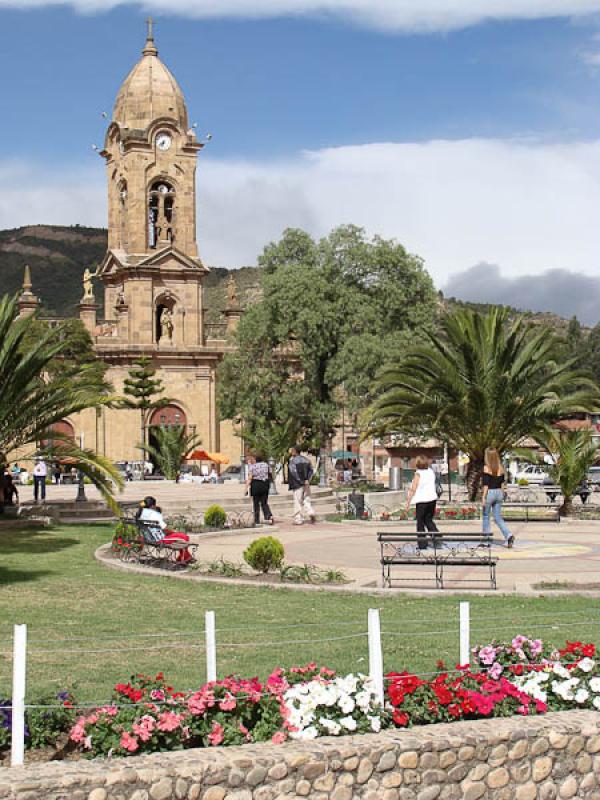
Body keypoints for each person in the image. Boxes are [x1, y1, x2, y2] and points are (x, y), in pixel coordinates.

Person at [136, 496, 193, 563]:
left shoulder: (141, 515)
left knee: (180, 536)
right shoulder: (153, 515)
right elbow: (165, 530)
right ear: (152, 506)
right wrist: (173, 532)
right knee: (184, 537)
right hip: (160, 539)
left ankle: (185, 557)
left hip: (150, 538)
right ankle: (184, 558)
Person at [405, 455, 439, 549]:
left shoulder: (418, 473)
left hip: (422, 501)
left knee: (420, 522)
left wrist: (408, 502)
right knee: (428, 520)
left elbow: (413, 488)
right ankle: (437, 537)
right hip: (432, 499)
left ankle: (422, 544)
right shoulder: (431, 472)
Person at [482, 448, 514, 548]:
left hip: (490, 493)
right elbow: (502, 484)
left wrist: (483, 497)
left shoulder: (486, 468)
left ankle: (486, 541)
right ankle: (508, 535)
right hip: (499, 493)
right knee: (498, 517)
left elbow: (486, 484)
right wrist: (503, 493)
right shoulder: (501, 468)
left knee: (486, 516)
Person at [288, 446, 316, 525]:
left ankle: (298, 519)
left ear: (295, 451)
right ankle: (311, 512)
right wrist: (307, 480)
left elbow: (294, 472)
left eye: (292, 450)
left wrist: (301, 481)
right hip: (306, 483)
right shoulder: (306, 460)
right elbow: (311, 470)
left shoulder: (293, 461)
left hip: (298, 484)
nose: (291, 452)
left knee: (298, 501)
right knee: (306, 499)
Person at [246, 452, 274, 525]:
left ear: (255, 459)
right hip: (265, 484)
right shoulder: (266, 465)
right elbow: (270, 474)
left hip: (256, 485)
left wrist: (246, 488)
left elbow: (250, 478)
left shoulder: (253, 466)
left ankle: (257, 520)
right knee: (264, 502)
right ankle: (269, 516)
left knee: (256, 503)